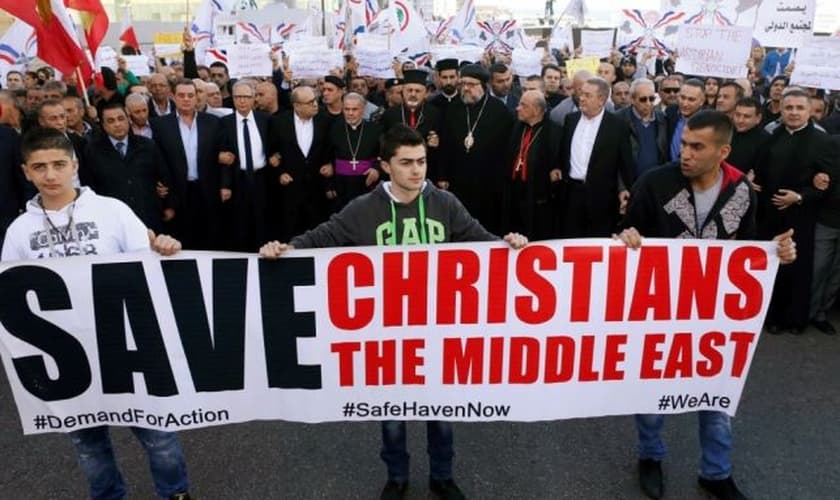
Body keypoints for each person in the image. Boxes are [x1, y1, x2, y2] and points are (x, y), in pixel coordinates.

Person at [259, 124, 529, 500]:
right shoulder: (362, 209)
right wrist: (283, 249)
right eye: (406, 163)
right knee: (391, 417)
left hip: (438, 329)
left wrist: (508, 243)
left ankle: (442, 476)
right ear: (385, 166)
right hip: (385, 335)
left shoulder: (444, 203)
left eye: (421, 162)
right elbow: (319, 240)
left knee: (443, 414)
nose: (417, 171)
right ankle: (397, 477)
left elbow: (481, 241)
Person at [1, 126, 192, 500]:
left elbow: (148, 265)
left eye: (59, 164)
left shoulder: (113, 211)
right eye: (40, 167)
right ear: (26, 171)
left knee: (159, 435)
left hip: (128, 346)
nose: (51, 175)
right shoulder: (19, 232)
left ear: (75, 164)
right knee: (89, 445)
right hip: (66, 360)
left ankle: (176, 494)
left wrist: (165, 247)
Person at [617, 110, 797, 500]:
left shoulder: (742, 191)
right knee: (650, 389)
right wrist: (626, 237)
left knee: (717, 395)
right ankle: (650, 456)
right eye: (684, 143)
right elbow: (624, 236)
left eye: (698, 147)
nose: (686, 153)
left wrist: (777, 252)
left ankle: (716, 473)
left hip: (715, 315)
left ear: (723, 151)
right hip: (659, 308)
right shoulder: (654, 183)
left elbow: (747, 251)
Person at [754, 88, 835, 334]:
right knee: (773, 266)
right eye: (789, 107)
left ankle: (796, 320)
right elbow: (758, 171)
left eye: (800, 108)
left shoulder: (823, 141)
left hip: (802, 216)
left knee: (799, 269)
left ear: (810, 111)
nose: (794, 112)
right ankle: (773, 317)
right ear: (781, 109)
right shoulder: (770, 136)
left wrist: (799, 197)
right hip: (770, 214)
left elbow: (828, 184)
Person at [151, 79, 224, 250]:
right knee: (183, 242)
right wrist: (167, 200)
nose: (186, 99)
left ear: (197, 97)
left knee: (211, 241)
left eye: (190, 95)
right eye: (181, 95)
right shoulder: (160, 125)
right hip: (178, 193)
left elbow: (220, 157)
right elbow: (159, 163)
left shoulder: (212, 122)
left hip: (207, 191)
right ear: (173, 96)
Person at [439, 64, 513, 234]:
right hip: (458, 180)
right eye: (463, 84)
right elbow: (445, 145)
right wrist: (443, 174)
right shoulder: (453, 109)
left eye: (471, 85)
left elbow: (507, 150)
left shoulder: (500, 111)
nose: (466, 88)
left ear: (484, 87)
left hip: (488, 182)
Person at [558, 77, 633, 237]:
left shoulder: (617, 126)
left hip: (602, 199)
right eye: (581, 93)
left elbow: (625, 163)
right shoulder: (570, 120)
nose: (581, 98)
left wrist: (625, 189)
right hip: (571, 195)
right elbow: (563, 154)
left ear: (601, 100)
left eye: (587, 95)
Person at [82, 102, 173, 234]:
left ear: (128, 120)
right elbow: (90, 185)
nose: (117, 124)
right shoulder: (92, 151)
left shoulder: (147, 145)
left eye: (121, 119)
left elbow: (164, 176)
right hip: (113, 220)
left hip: (148, 215)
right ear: (103, 125)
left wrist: (169, 205)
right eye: (111, 121)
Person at [267, 85, 333, 241]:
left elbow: (331, 150)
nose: (315, 104)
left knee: (318, 236)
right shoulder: (279, 122)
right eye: (310, 102)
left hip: (317, 191)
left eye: (315, 100)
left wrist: (331, 166)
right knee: (290, 235)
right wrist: (280, 173)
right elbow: (271, 153)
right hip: (290, 191)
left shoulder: (325, 121)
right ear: (296, 105)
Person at [218, 81, 271, 251]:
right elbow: (224, 155)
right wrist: (225, 185)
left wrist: (276, 155)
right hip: (238, 179)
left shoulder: (265, 120)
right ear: (232, 98)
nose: (242, 101)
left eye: (246, 97)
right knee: (240, 223)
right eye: (238, 97)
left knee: (263, 220)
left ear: (254, 98)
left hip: (262, 177)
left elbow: (275, 145)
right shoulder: (225, 123)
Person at [501, 89, 560, 239]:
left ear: (536, 110)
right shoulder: (517, 127)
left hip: (537, 201)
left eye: (523, 105)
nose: (517, 108)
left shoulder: (554, 132)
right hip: (514, 194)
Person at [327, 92, 382, 210]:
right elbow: (328, 157)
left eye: (354, 109)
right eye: (347, 109)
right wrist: (329, 185)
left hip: (366, 182)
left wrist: (376, 169)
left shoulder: (374, 129)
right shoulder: (334, 128)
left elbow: (382, 154)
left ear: (362, 109)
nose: (350, 113)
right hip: (341, 183)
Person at [615, 79, 668, 179]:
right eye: (643, 99)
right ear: (632, 99)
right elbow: (613, 158)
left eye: (651, 99)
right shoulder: (618, 119)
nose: (648, 103)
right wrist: (621, 187)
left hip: (657, 181)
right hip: (630, 183)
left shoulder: (662, 119)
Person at [666, 78, 705, 161]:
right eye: (682, 97)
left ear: (702, 101)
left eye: (691, 99)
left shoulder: (708, 122)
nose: (685, 103)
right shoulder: (670, 112)